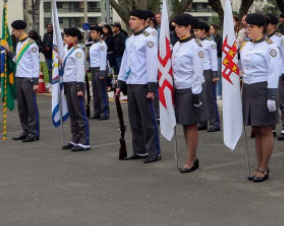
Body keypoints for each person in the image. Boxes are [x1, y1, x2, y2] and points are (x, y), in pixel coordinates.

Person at [239, 13, 282, 182]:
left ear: (261, 28)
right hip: (249, 88)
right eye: (246, 27)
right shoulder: (246, 46)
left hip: (264, 88)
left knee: (265, 129)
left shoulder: (270, 47)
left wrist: (272, 96)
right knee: (256, 129)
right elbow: (242, 66)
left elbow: (273, 72)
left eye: (251, 27)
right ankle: (259, 166)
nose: (247, 30)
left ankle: (264, 167)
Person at [116, 10, 161, 163]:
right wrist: (120, 81)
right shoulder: (130, 40)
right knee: (134, 119)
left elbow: (152, 63)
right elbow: (124, 61)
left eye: (134, 19)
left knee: (147, 120)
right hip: (131, 82)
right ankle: (139, 150)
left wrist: (151, 87)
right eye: (130, 19)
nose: (130, 22)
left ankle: (153, 151)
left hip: (143, 83)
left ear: (143, 21)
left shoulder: (148, 39)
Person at [171, 13, 205, 172]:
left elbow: (198, 73)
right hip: (178, 88)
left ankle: (191, 159)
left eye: (179, 26)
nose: (176, 29)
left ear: (189, 27)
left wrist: (196, 94)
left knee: (190, 124)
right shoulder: (177, 45)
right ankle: (192, 157)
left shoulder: (195, 46)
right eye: (175, 27)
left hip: (190, 89)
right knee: (184, 123)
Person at [8, 20, 41, 141]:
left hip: (28, 79)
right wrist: (8, 52)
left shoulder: (31, 44)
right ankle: (25, 130)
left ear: (19, 30)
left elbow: (36, 64)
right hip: (19, 77)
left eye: (14, 30)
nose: (13, 33)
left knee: (31, 107)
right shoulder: (19, 43)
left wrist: (36, 82)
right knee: (21, 107)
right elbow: (18, 60)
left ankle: (33, 133)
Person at [60, 27, 90, 151]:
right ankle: (75, 138)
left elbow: (79, 71)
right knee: (72, 113)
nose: (65, 38)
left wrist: (79, 88)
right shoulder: (69, 50)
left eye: (67, 36)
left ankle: (84, 141)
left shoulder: (78, 51)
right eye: (65, 36)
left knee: (79, 114)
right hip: (68, 83)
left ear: (75, 38)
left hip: (75, 83)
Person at [266, 14, 284, 140]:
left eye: (267, 23)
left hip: (277, 74)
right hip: (265, 74)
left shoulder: (280, 38)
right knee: (269, 102)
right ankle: (271, 128)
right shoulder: (261, 38)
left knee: (281, 102)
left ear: (273, 25)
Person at [195, 20, 220, 132]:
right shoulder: (195, 42)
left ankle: (214, 123)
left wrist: (215, 75)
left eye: (196, 30)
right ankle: (202, 121)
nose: (194, 33)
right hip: (198, 72)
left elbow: (214, 59)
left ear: (203, 31)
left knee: (209, 98)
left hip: (207, 71)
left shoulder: (211, 43)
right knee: (200, 98)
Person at [88, 25, 110, 121]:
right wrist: (89, 68)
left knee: (101, 93)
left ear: (99, 33)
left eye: (93, 32)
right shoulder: (93, 44)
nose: (91, 34)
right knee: (95, 93)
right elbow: (93, 58)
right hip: (93, 69)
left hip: (99, 70)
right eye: (91, 32)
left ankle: (104, 112)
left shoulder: (102, 44)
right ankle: (97, 111)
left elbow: (103, 59)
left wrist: (102, 73)